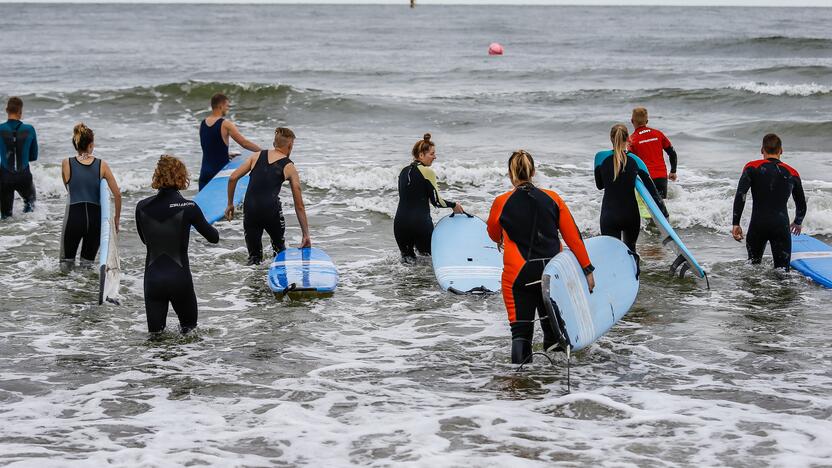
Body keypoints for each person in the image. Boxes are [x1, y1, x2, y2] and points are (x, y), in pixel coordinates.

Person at [487, 150, 595, 365]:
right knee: (553, 330)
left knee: (521, 333)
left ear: (510, 174)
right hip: (552, 273)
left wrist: (504, 235)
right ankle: (553, 381)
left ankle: (522, 384)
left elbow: (492, 233)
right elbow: (573, 238)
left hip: (519, 274)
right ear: (534, 172)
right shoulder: (553, 198)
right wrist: (588, 269)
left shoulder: (501, 201)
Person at [136, 155, 219, 333]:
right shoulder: (189, 207)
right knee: (190, 334)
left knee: (156, 339)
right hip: (179, 279)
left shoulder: (141, 207)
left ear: (157, 176)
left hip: (153, 281)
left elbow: (146, 240)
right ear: (182, 176)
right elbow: (213, 237)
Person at [225, 127, 311, 265]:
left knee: (254, 258)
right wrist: (306, 234)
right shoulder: (289, 166)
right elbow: (299, 205)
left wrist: (230, 204)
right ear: (290, 146)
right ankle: (281, 282)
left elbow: (233, 178)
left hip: (250, 210)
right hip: (271, 212)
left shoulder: (256, 156)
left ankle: (252, 286)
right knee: (279, 250)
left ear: (274, 144)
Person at [732, 134, 806, 270]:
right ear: (781, 151)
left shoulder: (751, 168)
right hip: (780, 227)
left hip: (757, 225)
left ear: (762, 150)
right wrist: (798, 222)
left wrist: (736, 223)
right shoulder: (792, 173)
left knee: (753, 269)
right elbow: (801, 204)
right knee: (783, 272)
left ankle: (749, 292)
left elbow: (740, 195)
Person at [595, 124, 668, 252]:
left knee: (612, 253)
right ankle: (635, 272)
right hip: (631, 215)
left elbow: (600, 185)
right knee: (631, 252)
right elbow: (653, 193)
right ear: (628, 138)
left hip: (609, 215)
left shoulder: (600, 158)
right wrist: (664, 216)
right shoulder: (636, 161)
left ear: (611, 138)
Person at [60, 123, 121, 271]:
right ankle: (86, 293)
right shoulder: (102, 165)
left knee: (65, 266)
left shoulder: (66, 163)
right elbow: (118, 195)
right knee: (87, 267)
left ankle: (66, 293)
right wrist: (116, 220)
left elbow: (68, 188)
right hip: (95, 221)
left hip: (74, 219)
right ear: (91, 145)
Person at [393, 133, 464, 261]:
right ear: (421, 155)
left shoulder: (403, 171)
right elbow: (436, 201)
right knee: (431, 261)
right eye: (432, 154)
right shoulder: (428, 172)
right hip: (419, 223)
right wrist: (454, 205)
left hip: (400, 224)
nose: (435, 157)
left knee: (407, 263)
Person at [198, 93, 261, 190]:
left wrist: (225, 154)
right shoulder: (225, 124)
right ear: (221, 106)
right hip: (220, 173)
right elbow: (244, 143)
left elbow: (209, 147)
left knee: (203, 204)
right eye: (227, 106)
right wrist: (263, 152)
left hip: (204, 173)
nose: (227, 108)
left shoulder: (203, 123)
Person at [628, 107, 679, 200]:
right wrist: (673, 171)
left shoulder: (632, 140)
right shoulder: (658, 134)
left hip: (645, 178)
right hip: (661, 177)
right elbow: (672, 153)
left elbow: (629, 162)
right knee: (662, 207)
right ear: (647, 121)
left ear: (632, 121)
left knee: (647, 209)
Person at [0, 97, 38, 218]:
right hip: (24, 177)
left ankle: (8, 236)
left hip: (4, 178)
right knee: (30, 207)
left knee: (6, 217)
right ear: (20, 112)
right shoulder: (29, 129)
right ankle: (27, 233)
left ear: (7, 110)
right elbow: (33, 156)